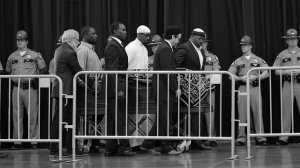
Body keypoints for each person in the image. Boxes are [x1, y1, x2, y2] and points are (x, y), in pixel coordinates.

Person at [141, 26, 182, 155]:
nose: (179, 41)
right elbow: (167, 71)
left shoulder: (165, 48)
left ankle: (147, 145)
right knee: (164, 120)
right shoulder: (165, 49)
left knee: (162, 120)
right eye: (178, 38)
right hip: (164, 90)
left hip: (163, 89)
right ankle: (165, 147)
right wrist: (175, 88)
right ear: (173, 36)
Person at [6, 30, 47, 150]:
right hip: (16, 88)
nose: (20, 42)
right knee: (16, 115)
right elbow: (7, 72)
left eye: (22, 40)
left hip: (30, 88)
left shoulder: (34, 55)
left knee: (33, 115)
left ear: (27, 41)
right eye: (18, 40)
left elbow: (44, 69)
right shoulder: (12, 56)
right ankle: (17, 142)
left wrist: (36, 79)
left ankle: (33, 141)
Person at [49, 29, 87, 157]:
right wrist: (93, 85)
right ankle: (57, 149)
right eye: (77, 40)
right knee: (63, 120)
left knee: (66, 119)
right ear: (71, 39)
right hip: (66, 91)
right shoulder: (69, 52)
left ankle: (65, 148)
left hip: (62, 90)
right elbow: (78, 70)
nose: (78, 43)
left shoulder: (60, 49)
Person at [174, 28, 211, 150]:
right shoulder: (184, 48)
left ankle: (197, 140)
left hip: (197, 88)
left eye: (203, 39)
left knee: (198, 113)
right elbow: (175, 67)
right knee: (188, 115)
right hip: (185, 89)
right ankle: (183, 141)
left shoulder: (200, 51)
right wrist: (178, 86)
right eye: (200, 39)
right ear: (192, 36)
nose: (202, 41)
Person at [228, 35, 268, 146]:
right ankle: (241, 137)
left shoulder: (258, 59)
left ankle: (260, 137)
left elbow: (266, 72)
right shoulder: (237, 61)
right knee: (242, 113)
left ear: (250, 46)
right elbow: (230, 75)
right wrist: (240, 78)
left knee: (258, 112)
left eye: (245, 45)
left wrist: (257, 77)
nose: (243, 47)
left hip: (255, 87)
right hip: (242, 88)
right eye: (242, 45)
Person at [104, 22, 136, 157]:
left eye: (126, 29)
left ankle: (110, 148)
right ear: (115, 31)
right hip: (116, 87)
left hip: (115, 86)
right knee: (120, 118)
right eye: (122, 30)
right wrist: (118, 89)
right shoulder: (113, 45)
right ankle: (124, 147)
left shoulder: (117, 45)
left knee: (113, 119)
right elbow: (112, 70)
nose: (126, 32)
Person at [76, 26, 102, 153]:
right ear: (85, 35)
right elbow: (79, 73)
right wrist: (90, 88)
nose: (96, 35)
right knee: (88, 116)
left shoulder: (91, 50)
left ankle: (93, 142)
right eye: (93, 33)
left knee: (97, 116)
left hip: (95, 90)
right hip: (88, 92)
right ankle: (86, 143)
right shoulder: (82, 51)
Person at [273, 28, 300, 145]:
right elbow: (275, 70)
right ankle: (284, 137)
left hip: (299, 83)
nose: (292, 41)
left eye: (294, 38)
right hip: (288, 84)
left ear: (297, 40)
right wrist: (286, 72)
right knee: (286, 111)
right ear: (287, 41)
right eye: (290, 39)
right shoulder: (282, 54)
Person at [201, 37, 221, 147]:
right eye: (201, 41)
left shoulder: (212, 57)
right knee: (194, 114)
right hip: (196, 89)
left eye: (205, 42)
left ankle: (211, 137)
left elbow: (217, 71)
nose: (203, 44)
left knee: (210, 113)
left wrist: (207, 77)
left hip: (209, 88)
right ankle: (195, 138)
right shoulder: (194, 55)